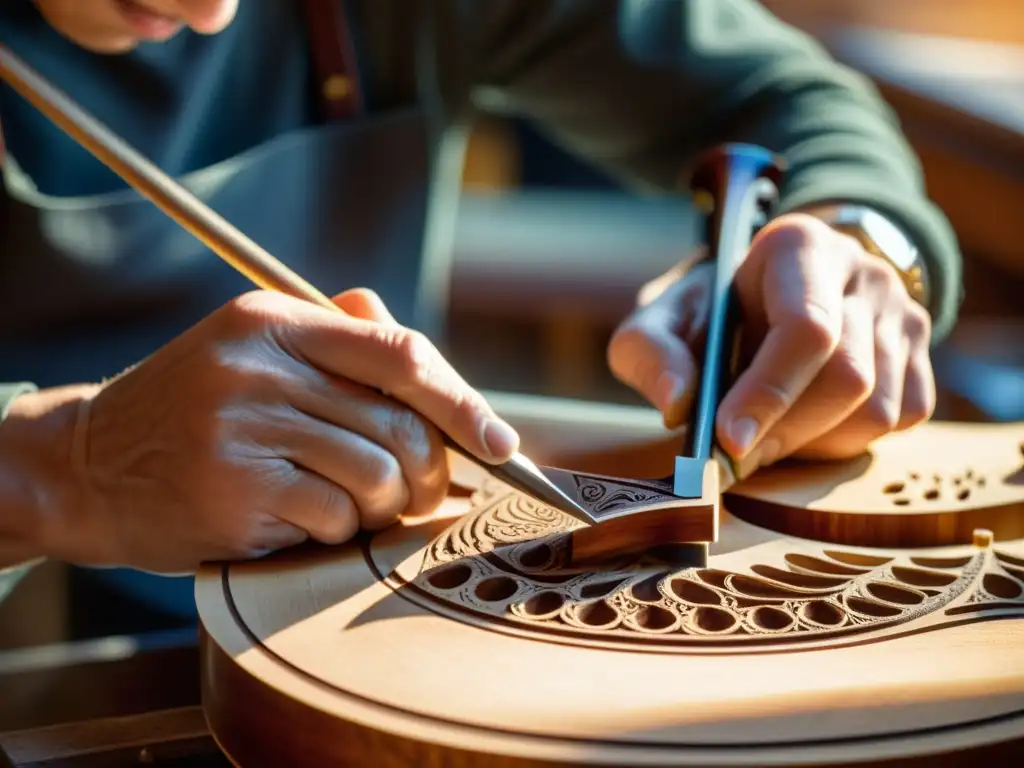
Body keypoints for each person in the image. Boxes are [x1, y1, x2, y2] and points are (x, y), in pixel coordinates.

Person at [0, 0, 962, 618]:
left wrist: (861, 243)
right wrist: (60, 468)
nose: (213, 12)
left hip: (342, 628)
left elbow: (784, 100)